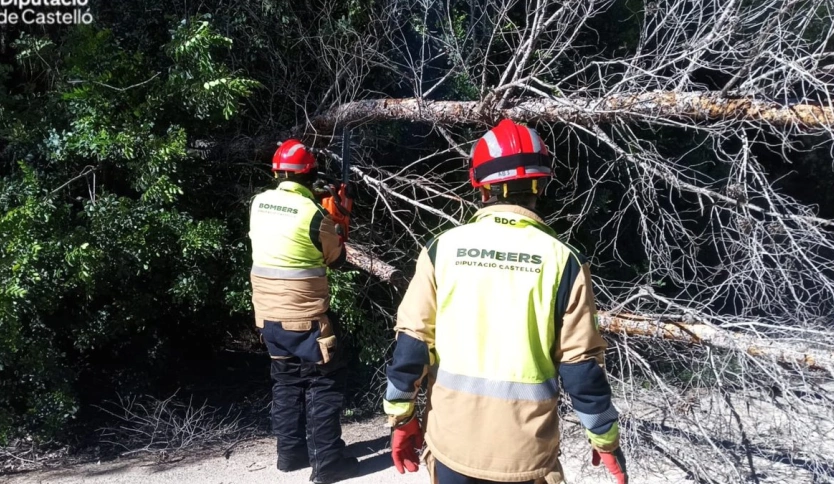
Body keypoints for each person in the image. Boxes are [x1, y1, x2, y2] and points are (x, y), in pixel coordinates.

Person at [383, 120, 628, 484]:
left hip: (453, 447)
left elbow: (412, 346)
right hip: (525, 456)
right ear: (541, 184)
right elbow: (581, 367)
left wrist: (402, 420)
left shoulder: (442, 250)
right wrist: (605, 439)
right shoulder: (564, 261)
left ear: (480, 187)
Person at [249, 139, 358, 484]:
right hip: (307, 319)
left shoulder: (258, 203)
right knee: (323, 382)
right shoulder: (315, 215)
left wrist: (329, 216)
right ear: (310, 174)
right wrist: (339, 219)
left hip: (268, 317)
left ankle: (290, 455)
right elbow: (336, 259)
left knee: (285, 381)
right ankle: (327, 464)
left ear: (277, 173)